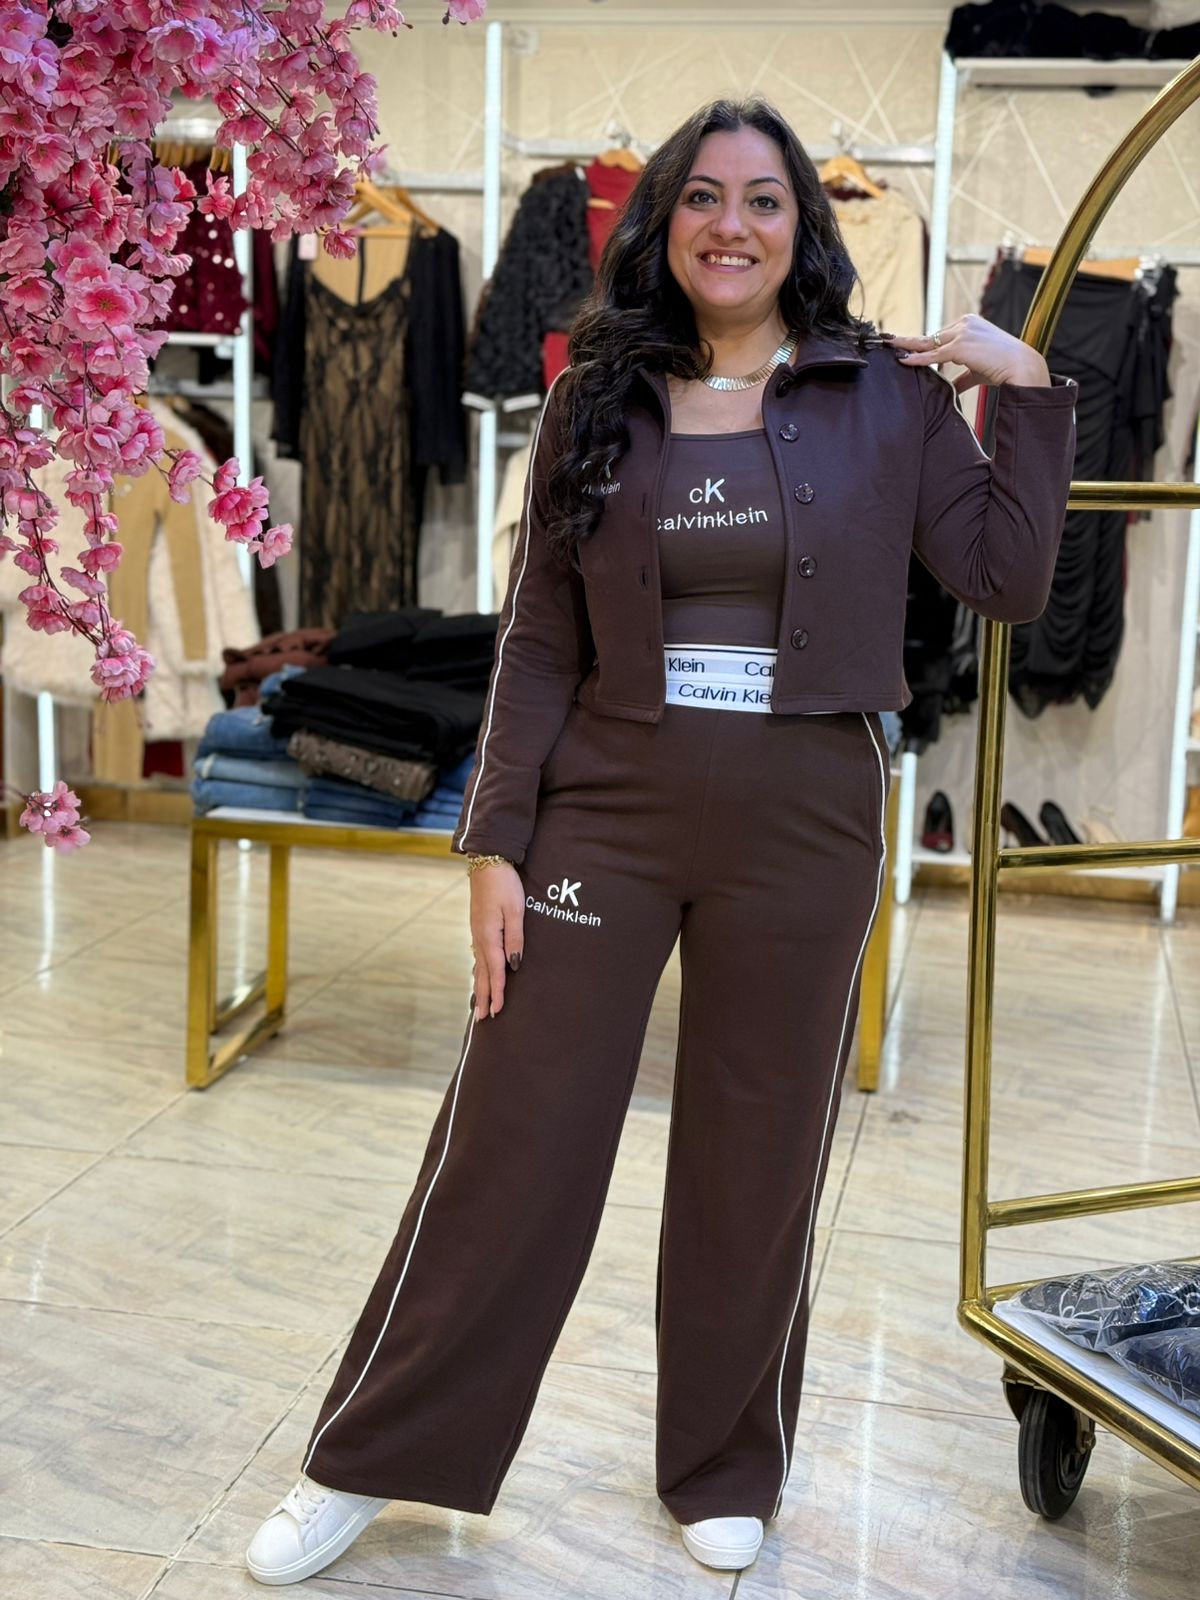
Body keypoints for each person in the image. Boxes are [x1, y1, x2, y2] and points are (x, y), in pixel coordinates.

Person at [246, 97, 1077, 1586]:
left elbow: (1007, 576)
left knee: (759, 1148)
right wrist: (495, 840)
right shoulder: (594, 394)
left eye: (762, 200)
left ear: (804, 229)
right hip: (607, 808)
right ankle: (370, 1460)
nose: (730, 225)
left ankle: (723, 1464)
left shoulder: (885, 395)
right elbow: (537, 640)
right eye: (703, 196)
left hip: (805, 814)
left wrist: (1024, 388)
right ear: (662, 221)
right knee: (511, 1138)